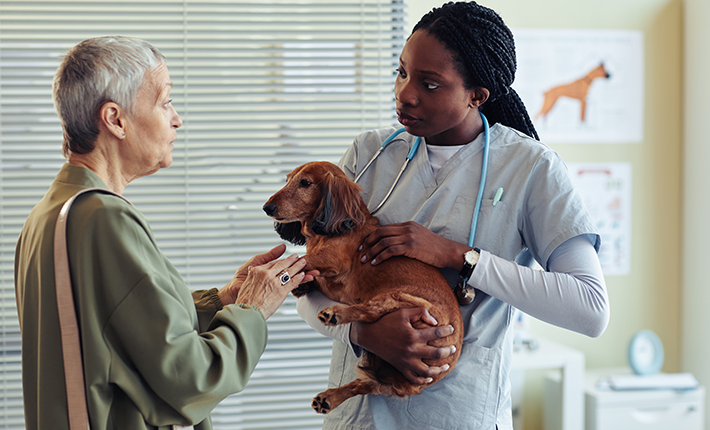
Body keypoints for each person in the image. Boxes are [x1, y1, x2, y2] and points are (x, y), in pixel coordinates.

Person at [296, 2, 610, 429]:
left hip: (458, 413)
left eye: (429, 84)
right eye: (402, 72)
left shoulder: (530, 168)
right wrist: (360, 332)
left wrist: (457, 255)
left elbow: (590, 309)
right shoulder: (368, 156)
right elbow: (306, 284)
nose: (404, 93)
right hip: (361, 416)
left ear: (476, 95)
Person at [14, 36, 317, 430]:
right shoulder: (104, 219)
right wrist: (253, 310)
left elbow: (115, 334)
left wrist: (222, 299)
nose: (176, 118)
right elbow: (190, 379)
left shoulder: (51, 213)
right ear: (115, 120)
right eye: (164, 102)